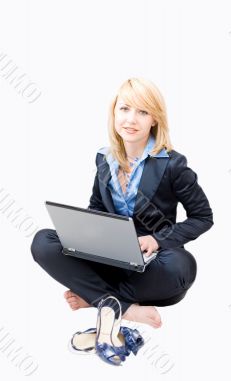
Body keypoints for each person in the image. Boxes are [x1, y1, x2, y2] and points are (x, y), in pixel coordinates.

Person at [30, 77, 214, 329]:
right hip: (110, 257)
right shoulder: (104, 159)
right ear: (114, 112)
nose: (131, 119)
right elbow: (96, 205)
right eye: (125, 109)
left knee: (182, 266)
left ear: (155, 119)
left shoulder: (173, 164)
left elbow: (203, 217)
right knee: (43, 241)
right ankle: (123, 307)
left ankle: (96, 297)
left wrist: (157, 240)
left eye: (142, 111)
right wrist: (85, 233)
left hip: (151, 265)